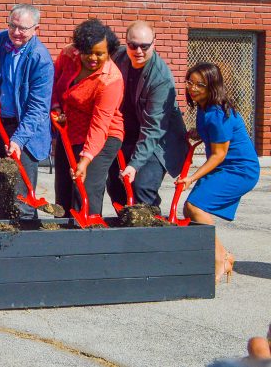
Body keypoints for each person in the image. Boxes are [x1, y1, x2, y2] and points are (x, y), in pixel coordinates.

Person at [180, 62, 260, 281]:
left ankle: (221, 257)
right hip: (225, 166)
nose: (193, 88)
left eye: (200, 85)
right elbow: (214, 137)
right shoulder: (204, 108)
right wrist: (198, 132)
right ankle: (217, 255)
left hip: (239, 169)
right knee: (190, 211)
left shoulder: (217, 113)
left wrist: (191, 178)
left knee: (196, 207)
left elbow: (219, 155)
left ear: (212, 86)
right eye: (190, 82)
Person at [108, 20, 187, 207]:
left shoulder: (160, 78)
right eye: (133, 45)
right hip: (127, 134)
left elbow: (153, 129)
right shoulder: (118, 57)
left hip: (159, 141)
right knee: (116, 186)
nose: (138, 51)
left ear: (154, 43)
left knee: (142, 187)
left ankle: (153, 229)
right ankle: (127, 228)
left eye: (145, 46)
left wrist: (134, 165)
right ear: (125, 43)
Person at [51, 18, 124, 217]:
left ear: (109, 52)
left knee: (85, 188)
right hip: (70, 129)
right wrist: (57, 107)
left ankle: (89, 235)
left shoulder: (110, 80)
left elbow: (100, 125)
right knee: (64, 188)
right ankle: (65, 237)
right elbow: (54, 82)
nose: (92, 58)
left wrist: (85, 160)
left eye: (99, 54)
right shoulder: (68, 54)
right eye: (87, 53)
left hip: (104, 136)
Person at [0, 4, 54, 223]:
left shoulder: (41, 59)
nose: (16, 33)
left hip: (26, 131)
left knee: (21, 197)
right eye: (12, 26)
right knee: (0, 193)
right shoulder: (0, 40)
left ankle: (28, 243)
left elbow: (38, 109)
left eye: (23, 29)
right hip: (1, 125)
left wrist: (18, 140)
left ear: (36, 28)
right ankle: (3, 235)